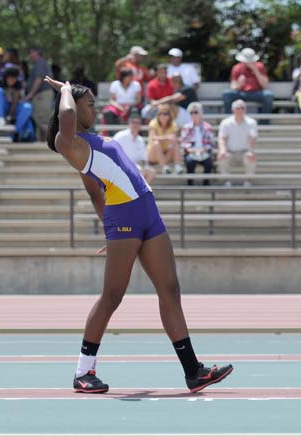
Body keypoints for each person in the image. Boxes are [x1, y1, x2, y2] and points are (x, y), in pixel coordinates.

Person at [43, 76, 233, 394]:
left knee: (170, 290)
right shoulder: (70, 143)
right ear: (74, 108)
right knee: (113, 295)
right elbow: (66, 119)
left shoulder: (93, 141)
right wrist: (64, 91)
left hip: (147, 214)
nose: (96, 107)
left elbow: (94, 193)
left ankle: (193, 372)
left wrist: (108, 231)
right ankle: (83, 371)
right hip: (126, 219)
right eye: (90, 103)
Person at [222, 48, 274, 117]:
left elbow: (265, 85)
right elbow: (233, 87)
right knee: (227, 94)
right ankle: (229, 120)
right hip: (241, 93)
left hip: (257, 93)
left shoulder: (260, 66)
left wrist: (256, 71)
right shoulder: (237, 68)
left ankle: (264, 122)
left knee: (268, 95)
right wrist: (238, 84)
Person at [217, 99, 257, 187]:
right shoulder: (225, 122)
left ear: (245, 110)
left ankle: (248, 182)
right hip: (230, 152)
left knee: (251, 158)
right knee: (222, 157)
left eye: (242, 108)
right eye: (237, 108)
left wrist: (251, 151)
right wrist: (222, 150)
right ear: (233, 110)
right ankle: (226, 182)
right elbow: (221, 138)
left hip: (244, 152)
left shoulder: (251, 122)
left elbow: (252, 138)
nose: (240, 110)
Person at [0, 67, 35, 141]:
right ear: (6, 77)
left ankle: (15, 131)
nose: (12, 80)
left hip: (13, 108)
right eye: (10, 78)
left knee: (27, 107)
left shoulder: (18, 84)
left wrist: (10, 116)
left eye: (14, 78)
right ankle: (1, 118)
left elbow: (15, 102)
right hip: (1, 107)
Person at [112, 113, 155, 183]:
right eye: (133, 122)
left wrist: (144, 165)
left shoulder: (140, 140)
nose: (135, 125)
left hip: (135, 165)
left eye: (137, 123)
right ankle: (137, 192)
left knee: (152, 172)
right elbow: (111, 150)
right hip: (120, 165)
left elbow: (143, 158)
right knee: (140, 171)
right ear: (129, 124)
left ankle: (140, 192)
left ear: (140, 126)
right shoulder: (121, 136)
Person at [180, 102, 214, 186]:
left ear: (200, 113)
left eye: (195, 112)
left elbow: (211, 143)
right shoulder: (186, 127)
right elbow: (184, 142)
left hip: (204, 151)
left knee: (209, 162)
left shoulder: (207, 127)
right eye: (191, 112)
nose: (193, 114)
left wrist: (204, 149)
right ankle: (190, 184)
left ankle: (206, 183)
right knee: (190, 161)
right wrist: (191, 150)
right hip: (191, 151)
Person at [25, 47, 53, 141]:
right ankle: (44, 143)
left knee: (43, 121)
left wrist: (30, 94)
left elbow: (39, 79)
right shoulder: (38, 63)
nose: (30, 55)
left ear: (36, 52)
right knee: (39, 121)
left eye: (31, 53)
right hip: (40, 96)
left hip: (42, 96)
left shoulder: (40, 62)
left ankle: (54, 141)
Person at [147, 104, 183, 174]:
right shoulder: (154, 123)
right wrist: (166, 137)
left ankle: (178, 166)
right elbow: (153, 137)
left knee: (175, 144)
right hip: (153, 155)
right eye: (160, 114)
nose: (162, 116)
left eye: (165, 114)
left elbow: (173, 139)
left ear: (169, 116)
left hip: (165, 155)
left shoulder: (173, 124)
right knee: (156, 143)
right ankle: (164, 167)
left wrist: (168, 139)